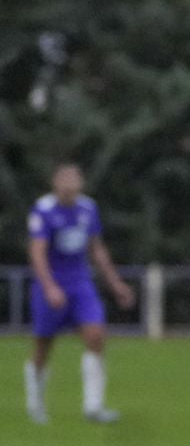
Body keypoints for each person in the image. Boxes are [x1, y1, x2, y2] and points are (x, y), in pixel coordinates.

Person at [23, 161, 135, 425]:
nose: (70, 183)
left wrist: (115, 283)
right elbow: (37, 251)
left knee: (96, 335)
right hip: (51, 284)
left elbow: (96, 248)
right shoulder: (44, 210)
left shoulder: (88, 208)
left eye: (75, 178)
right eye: (65, 178)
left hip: (80, 284)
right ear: (55, 182)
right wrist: (49, 286)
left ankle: (93, 407)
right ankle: (36, 402)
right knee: (43, 345)